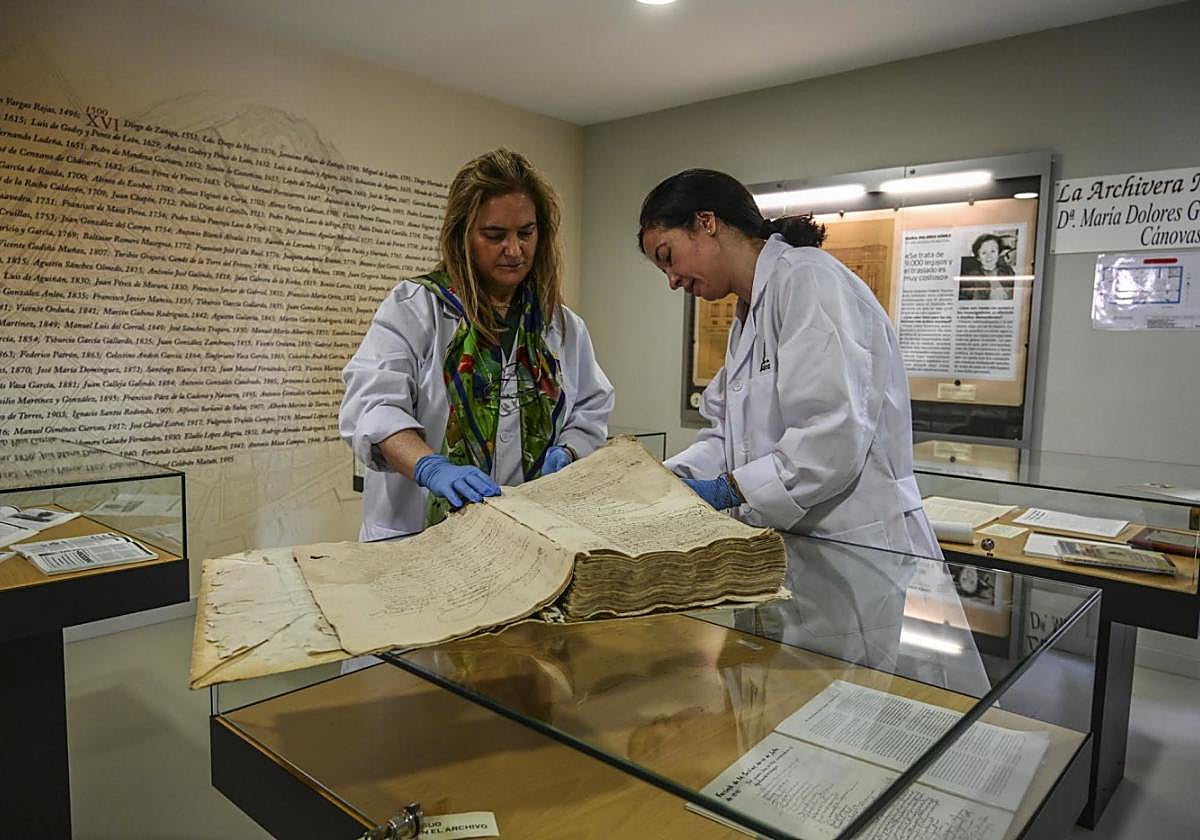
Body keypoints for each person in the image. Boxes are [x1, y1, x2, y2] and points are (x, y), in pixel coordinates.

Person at [637, 168, 948, 672]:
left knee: (841, 717)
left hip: (848, 548)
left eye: (668, 257)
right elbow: (726, 432)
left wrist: (728, 491)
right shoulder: (748, 315)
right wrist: (672, 478)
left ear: (707, 223)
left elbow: (828, 438)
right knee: (778, 709)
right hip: (792, 552)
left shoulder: (807, 280)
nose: (673, 281)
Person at [341, 148, 614, 541]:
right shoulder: (415, 309)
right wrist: (430, 468)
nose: (515, 250)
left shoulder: (560, 325)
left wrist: (569, 450)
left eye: (526, 233)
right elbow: (373, 407)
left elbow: (591, 407)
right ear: (463, 234)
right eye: (495, 235)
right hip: (418, 538)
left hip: (528, 535)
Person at [959, 233, 1015, 300]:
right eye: (984, 253)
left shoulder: (1007, 270)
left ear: (998, 253)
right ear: (978, 257)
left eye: (993, 251)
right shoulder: (972, 277)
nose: (989, 256)